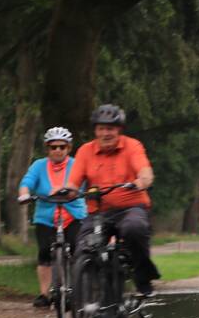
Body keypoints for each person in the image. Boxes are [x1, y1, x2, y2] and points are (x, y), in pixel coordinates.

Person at [67, 104, 159, 296]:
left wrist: (142, 181)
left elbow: (144, 170)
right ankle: (88, 296)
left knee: (134, 228)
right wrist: (68, 191)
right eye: (101, 128)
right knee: (83, 247)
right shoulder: (85, 151)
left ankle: (142, 276)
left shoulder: (132, 146)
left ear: (119, 130)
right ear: (95, 131)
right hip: (98, 212)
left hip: (130, 208)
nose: (105, 133)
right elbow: (73, 182)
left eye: (110, 128)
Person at [18, 126, 87, 308]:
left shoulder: (76, 164)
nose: (57, 150)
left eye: (62, 147)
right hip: (46, 217)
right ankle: (44, 294)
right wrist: (24, 194)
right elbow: (27, 182)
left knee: (77, 250)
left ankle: (75, 290)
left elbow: (84, 183)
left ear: (68, 148)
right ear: (47, 148)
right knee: (44, 251)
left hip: (73, 214)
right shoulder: (38, 166)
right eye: (53, 147)